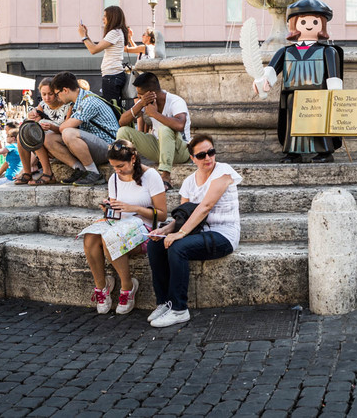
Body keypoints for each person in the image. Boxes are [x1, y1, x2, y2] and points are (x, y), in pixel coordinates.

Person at [146, 134, 240, 328]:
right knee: (155, 244)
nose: (208, 158)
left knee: (177, 247)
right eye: (202, 155)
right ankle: (165, 302)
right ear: (192, 158)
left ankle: (179, 309)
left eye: (211, 152)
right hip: (198, 232)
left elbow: (205, 206)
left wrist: (180, 234)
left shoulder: (223, 172)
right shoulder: (189, 182)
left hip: (223, 234)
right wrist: (165, 230)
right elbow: (183, 217)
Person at [80, 140, 167, 315]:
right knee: (90, 237)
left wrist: (134, 208)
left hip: (145, 228)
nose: (117, 171)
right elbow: (117, 210)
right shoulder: (114, 178)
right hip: (120, 223)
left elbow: (163, 214)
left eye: (120, 166)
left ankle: (128, 287)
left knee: (109, 238)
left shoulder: (151, 176)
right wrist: (108, 210)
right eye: (114, 167)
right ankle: (102, 287)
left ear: (133, 158)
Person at [255, 0, 344, 163]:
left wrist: (335, 94)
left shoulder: (329, 51)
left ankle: (324, 152)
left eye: (315, 21)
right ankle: (293, 152)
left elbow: (333, 75)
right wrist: (265, 81)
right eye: (303, 21)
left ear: (322, 25)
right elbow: (272, 69)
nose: (309, 25)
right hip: (293, 95)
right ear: (294, 25)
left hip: (319, 96)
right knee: (292, 124)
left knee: (318, 123)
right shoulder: (286, 51)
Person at [116, 72, 190, 189]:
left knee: (165, 130)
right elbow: (122, 122)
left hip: (180, 151)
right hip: (159, 149)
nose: (138, 98)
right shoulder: (144, 102)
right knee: (123, 131)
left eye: (140, 95)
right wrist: (139, 106)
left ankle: (166, 176)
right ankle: (127, 171)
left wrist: (154, 114)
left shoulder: (175, 101)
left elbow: (180, 124)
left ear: (151, 94)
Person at [46, 71, 120, 186]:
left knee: (68, 133)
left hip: (109, 148)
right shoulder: (78, 102)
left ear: (65, 90)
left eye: (57, 94)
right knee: (49, 138)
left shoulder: (88, 101)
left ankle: (94, 173)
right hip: (94, 145)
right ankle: (81, 170)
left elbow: (64, 128)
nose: (57, 98)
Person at [14, 77, 73, 186]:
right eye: (43, 94)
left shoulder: (68, 105)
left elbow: (67, 129)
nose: (47, 97)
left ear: (56, 92)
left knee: (39, 136)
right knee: (22, 136)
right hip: (46, 139)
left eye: (50, 94)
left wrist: (50, 127)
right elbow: (33, 120)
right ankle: (27, 172)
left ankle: (48, 173)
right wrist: (31, 116)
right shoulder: (42, 105)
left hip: (61, 140)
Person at [78, 5, 129, 103]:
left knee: (113, 109)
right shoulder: (117, 32)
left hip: (112, 75)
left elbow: (93, 50)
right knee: (114, 107)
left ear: (112, 18)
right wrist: (86, 35)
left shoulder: (114, 33)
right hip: (113, 75)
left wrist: (83, 36)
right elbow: (95, 47)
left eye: (105, 16)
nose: (103, 19)